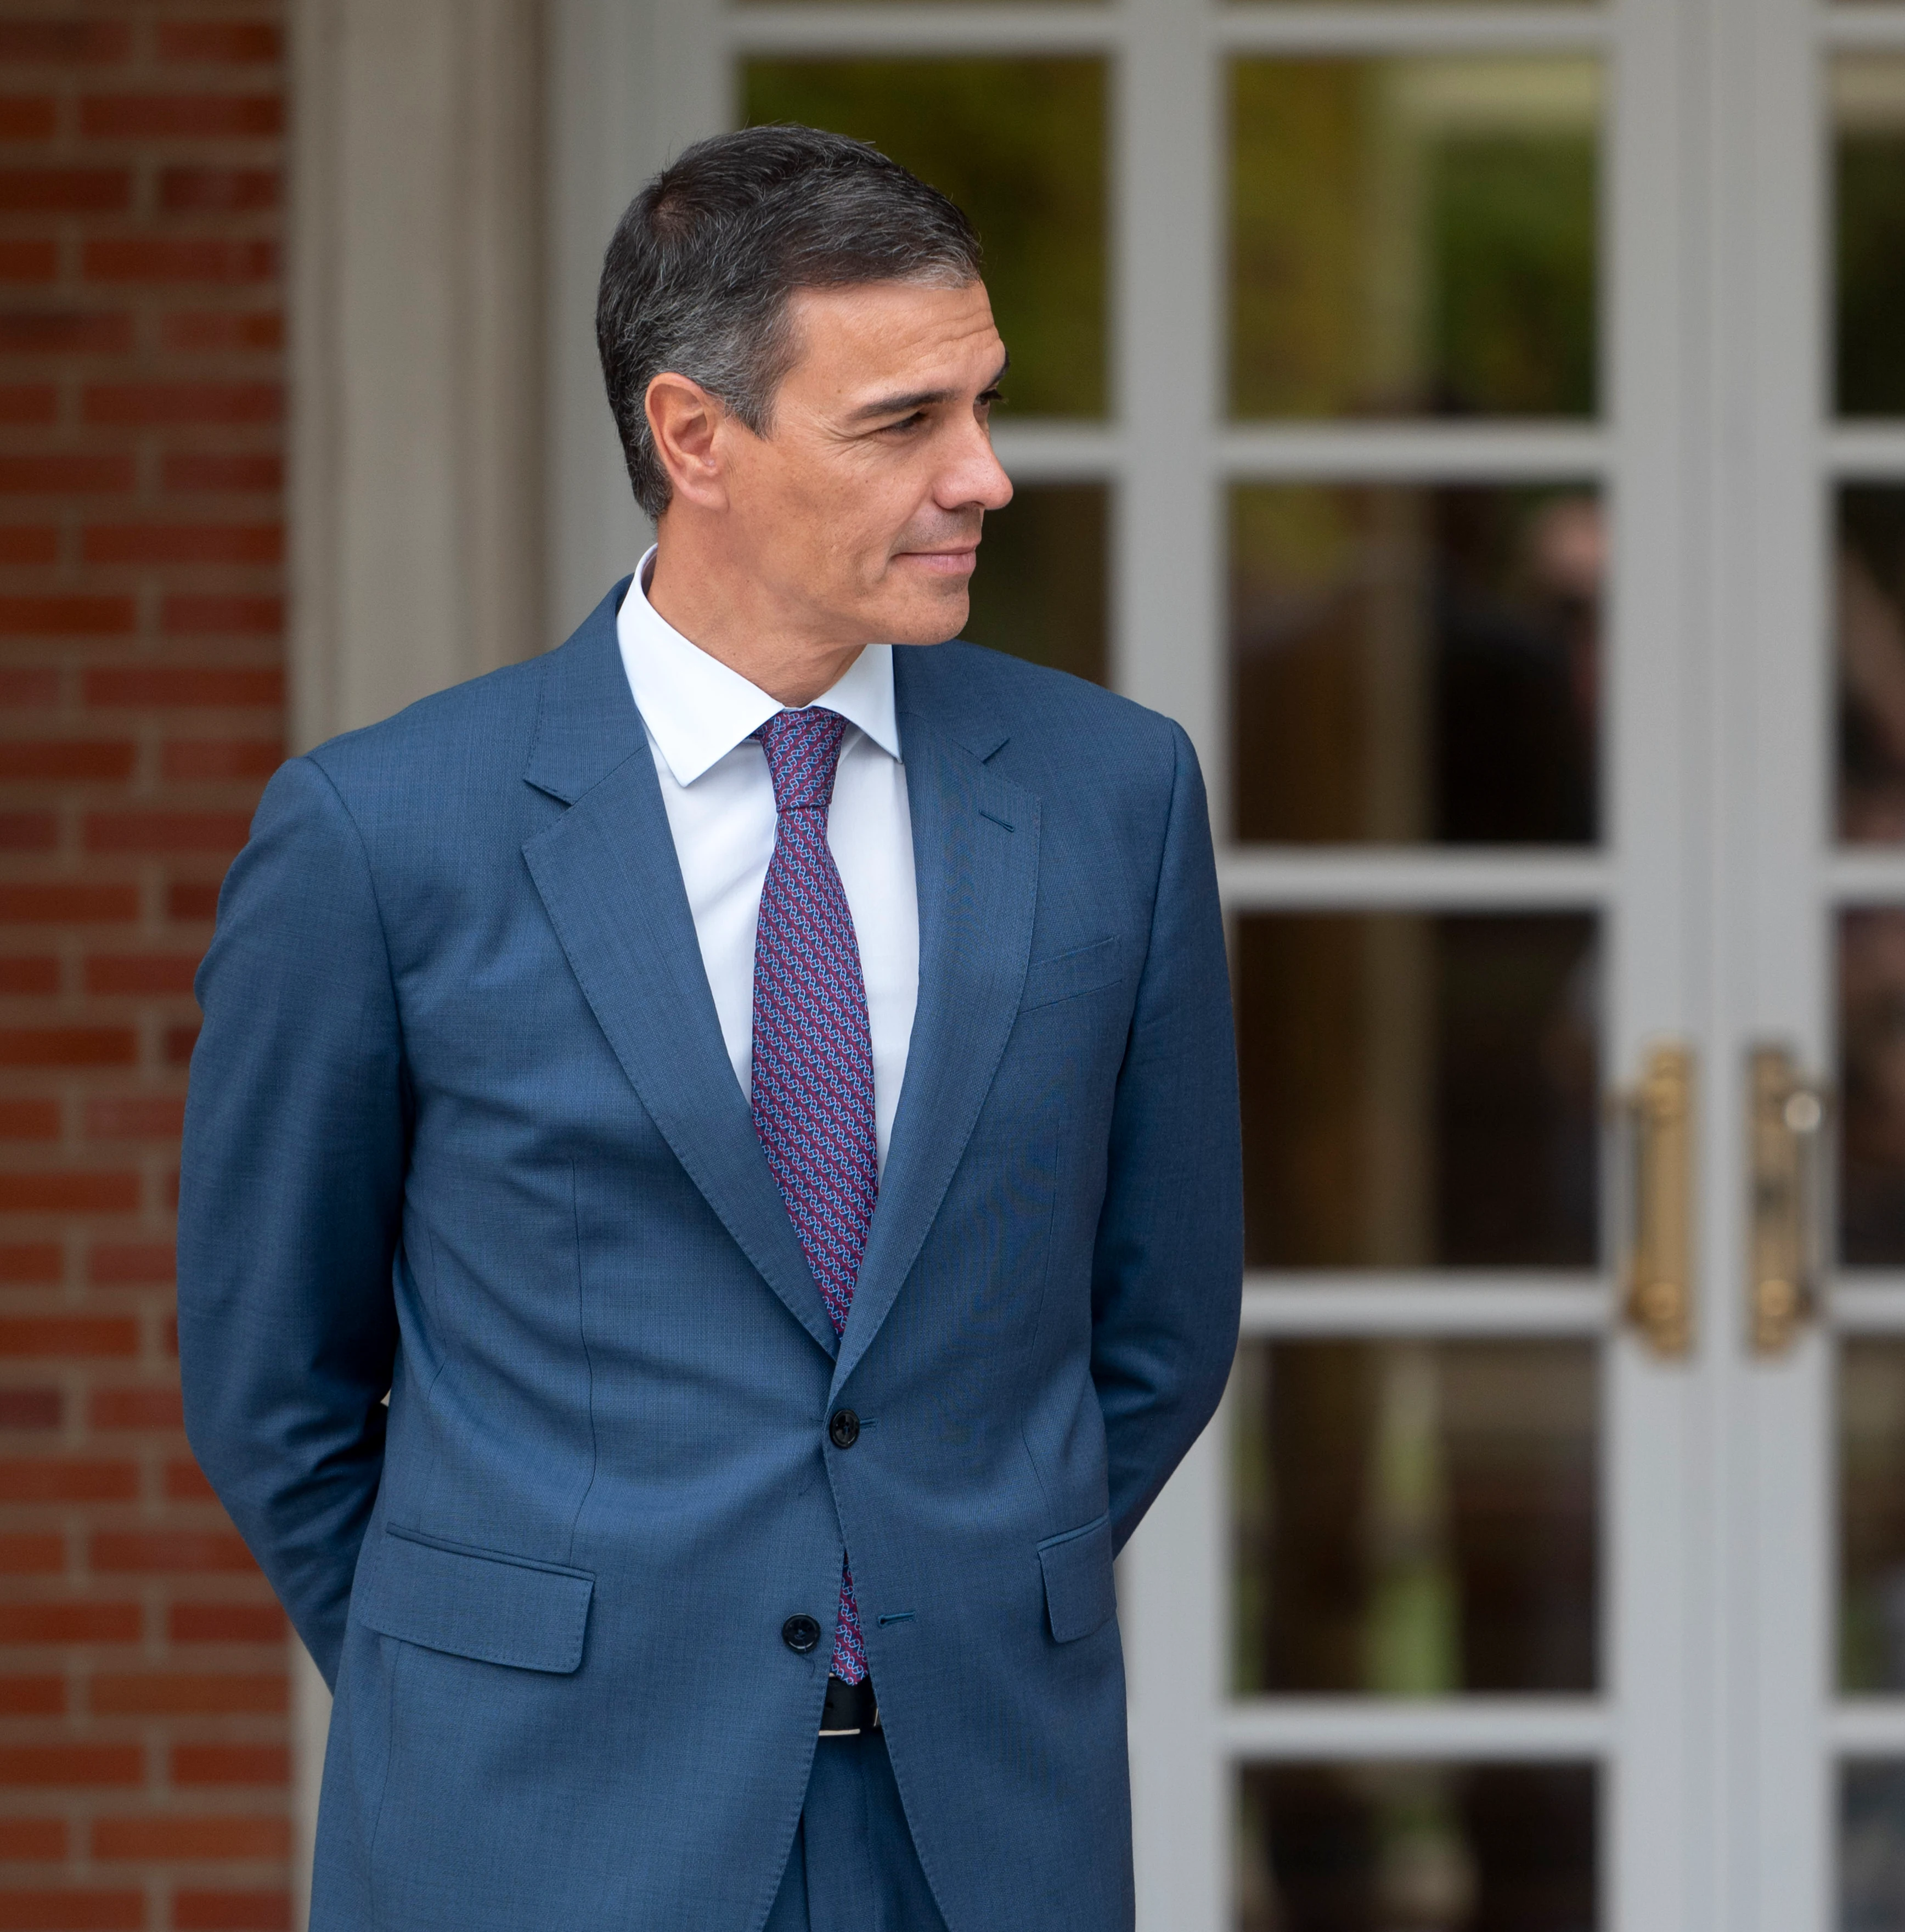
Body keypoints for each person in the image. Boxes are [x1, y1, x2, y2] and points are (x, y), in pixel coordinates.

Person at [176, 125, 1242, 1932]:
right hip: (527, 1830)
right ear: (696, 439)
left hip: (976, 1819)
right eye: (902, 422)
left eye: (980, 403)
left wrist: (953, 1582)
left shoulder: (1109, 797)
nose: (981, 474)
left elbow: (1161, 1315)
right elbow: (268, 1370)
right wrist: (494, 1680)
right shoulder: (386, 834)